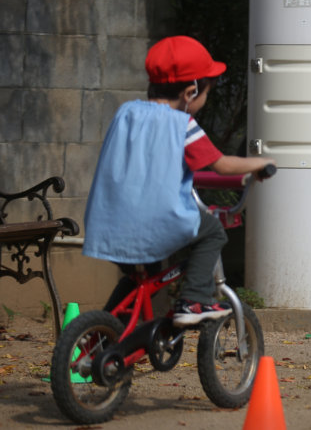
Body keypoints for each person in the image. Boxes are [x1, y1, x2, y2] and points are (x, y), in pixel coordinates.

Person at [83, 35, 274, 326]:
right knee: (212, 232)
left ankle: (101, 335)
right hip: (156, 224)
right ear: (190, 92)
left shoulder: (126, 113)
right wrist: (261, 163)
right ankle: (194, 299)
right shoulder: (182, 125)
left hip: (108, 223)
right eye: (206, 93)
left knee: (140, 280)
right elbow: (222, 165)